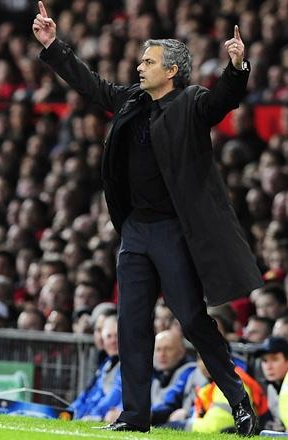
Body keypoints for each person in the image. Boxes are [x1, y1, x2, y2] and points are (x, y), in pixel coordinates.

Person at [33, 2, 262, 435]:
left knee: (193, 320)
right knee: (131, 324)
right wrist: (52, 46)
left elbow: (224, 100)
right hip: (136, 230)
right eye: (141, 59)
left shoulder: (192, 103)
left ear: (172, 71)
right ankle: (135, 416)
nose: (139, 66)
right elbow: (92, 86)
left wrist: (237, 66)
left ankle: (240, 401)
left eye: (149, 61)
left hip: (174, 229)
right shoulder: (132, 101)